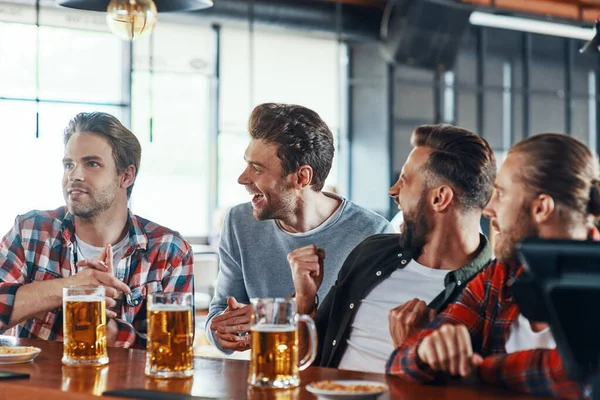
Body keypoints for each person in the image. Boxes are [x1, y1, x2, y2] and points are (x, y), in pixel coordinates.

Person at [388, 133, 599, 399]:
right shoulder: (499, 277)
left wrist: (476, 371)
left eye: (500, 193)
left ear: (541, 208)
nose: (488, 208)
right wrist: (425, 351)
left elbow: (576, 377)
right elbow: (399, 363)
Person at [289, 124, 496, 373]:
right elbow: (304, 361)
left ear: (440, 199)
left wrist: (414, 349)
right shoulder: (371, 252)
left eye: (405, 181)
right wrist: (305, 302)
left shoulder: (494, 294)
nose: (393, 191)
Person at [207, 103, 392, 353]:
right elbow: (219, 313)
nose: (243, 178)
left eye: (257, 168)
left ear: (301, 178)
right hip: (266, 376)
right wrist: (223, 333)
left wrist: (275, 317)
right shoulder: (239, 222)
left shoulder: (374, 234)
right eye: (246, 164)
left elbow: (373, 337)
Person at [0, 112, 194, 349]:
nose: (75, 175)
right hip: (36, 385)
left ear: (126, 176)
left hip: (123, 385)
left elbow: (175, 348)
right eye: (69, 164)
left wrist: (112, 335)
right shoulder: (30, 230)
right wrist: (72, 288)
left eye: (92, 164)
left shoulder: (169, 251)